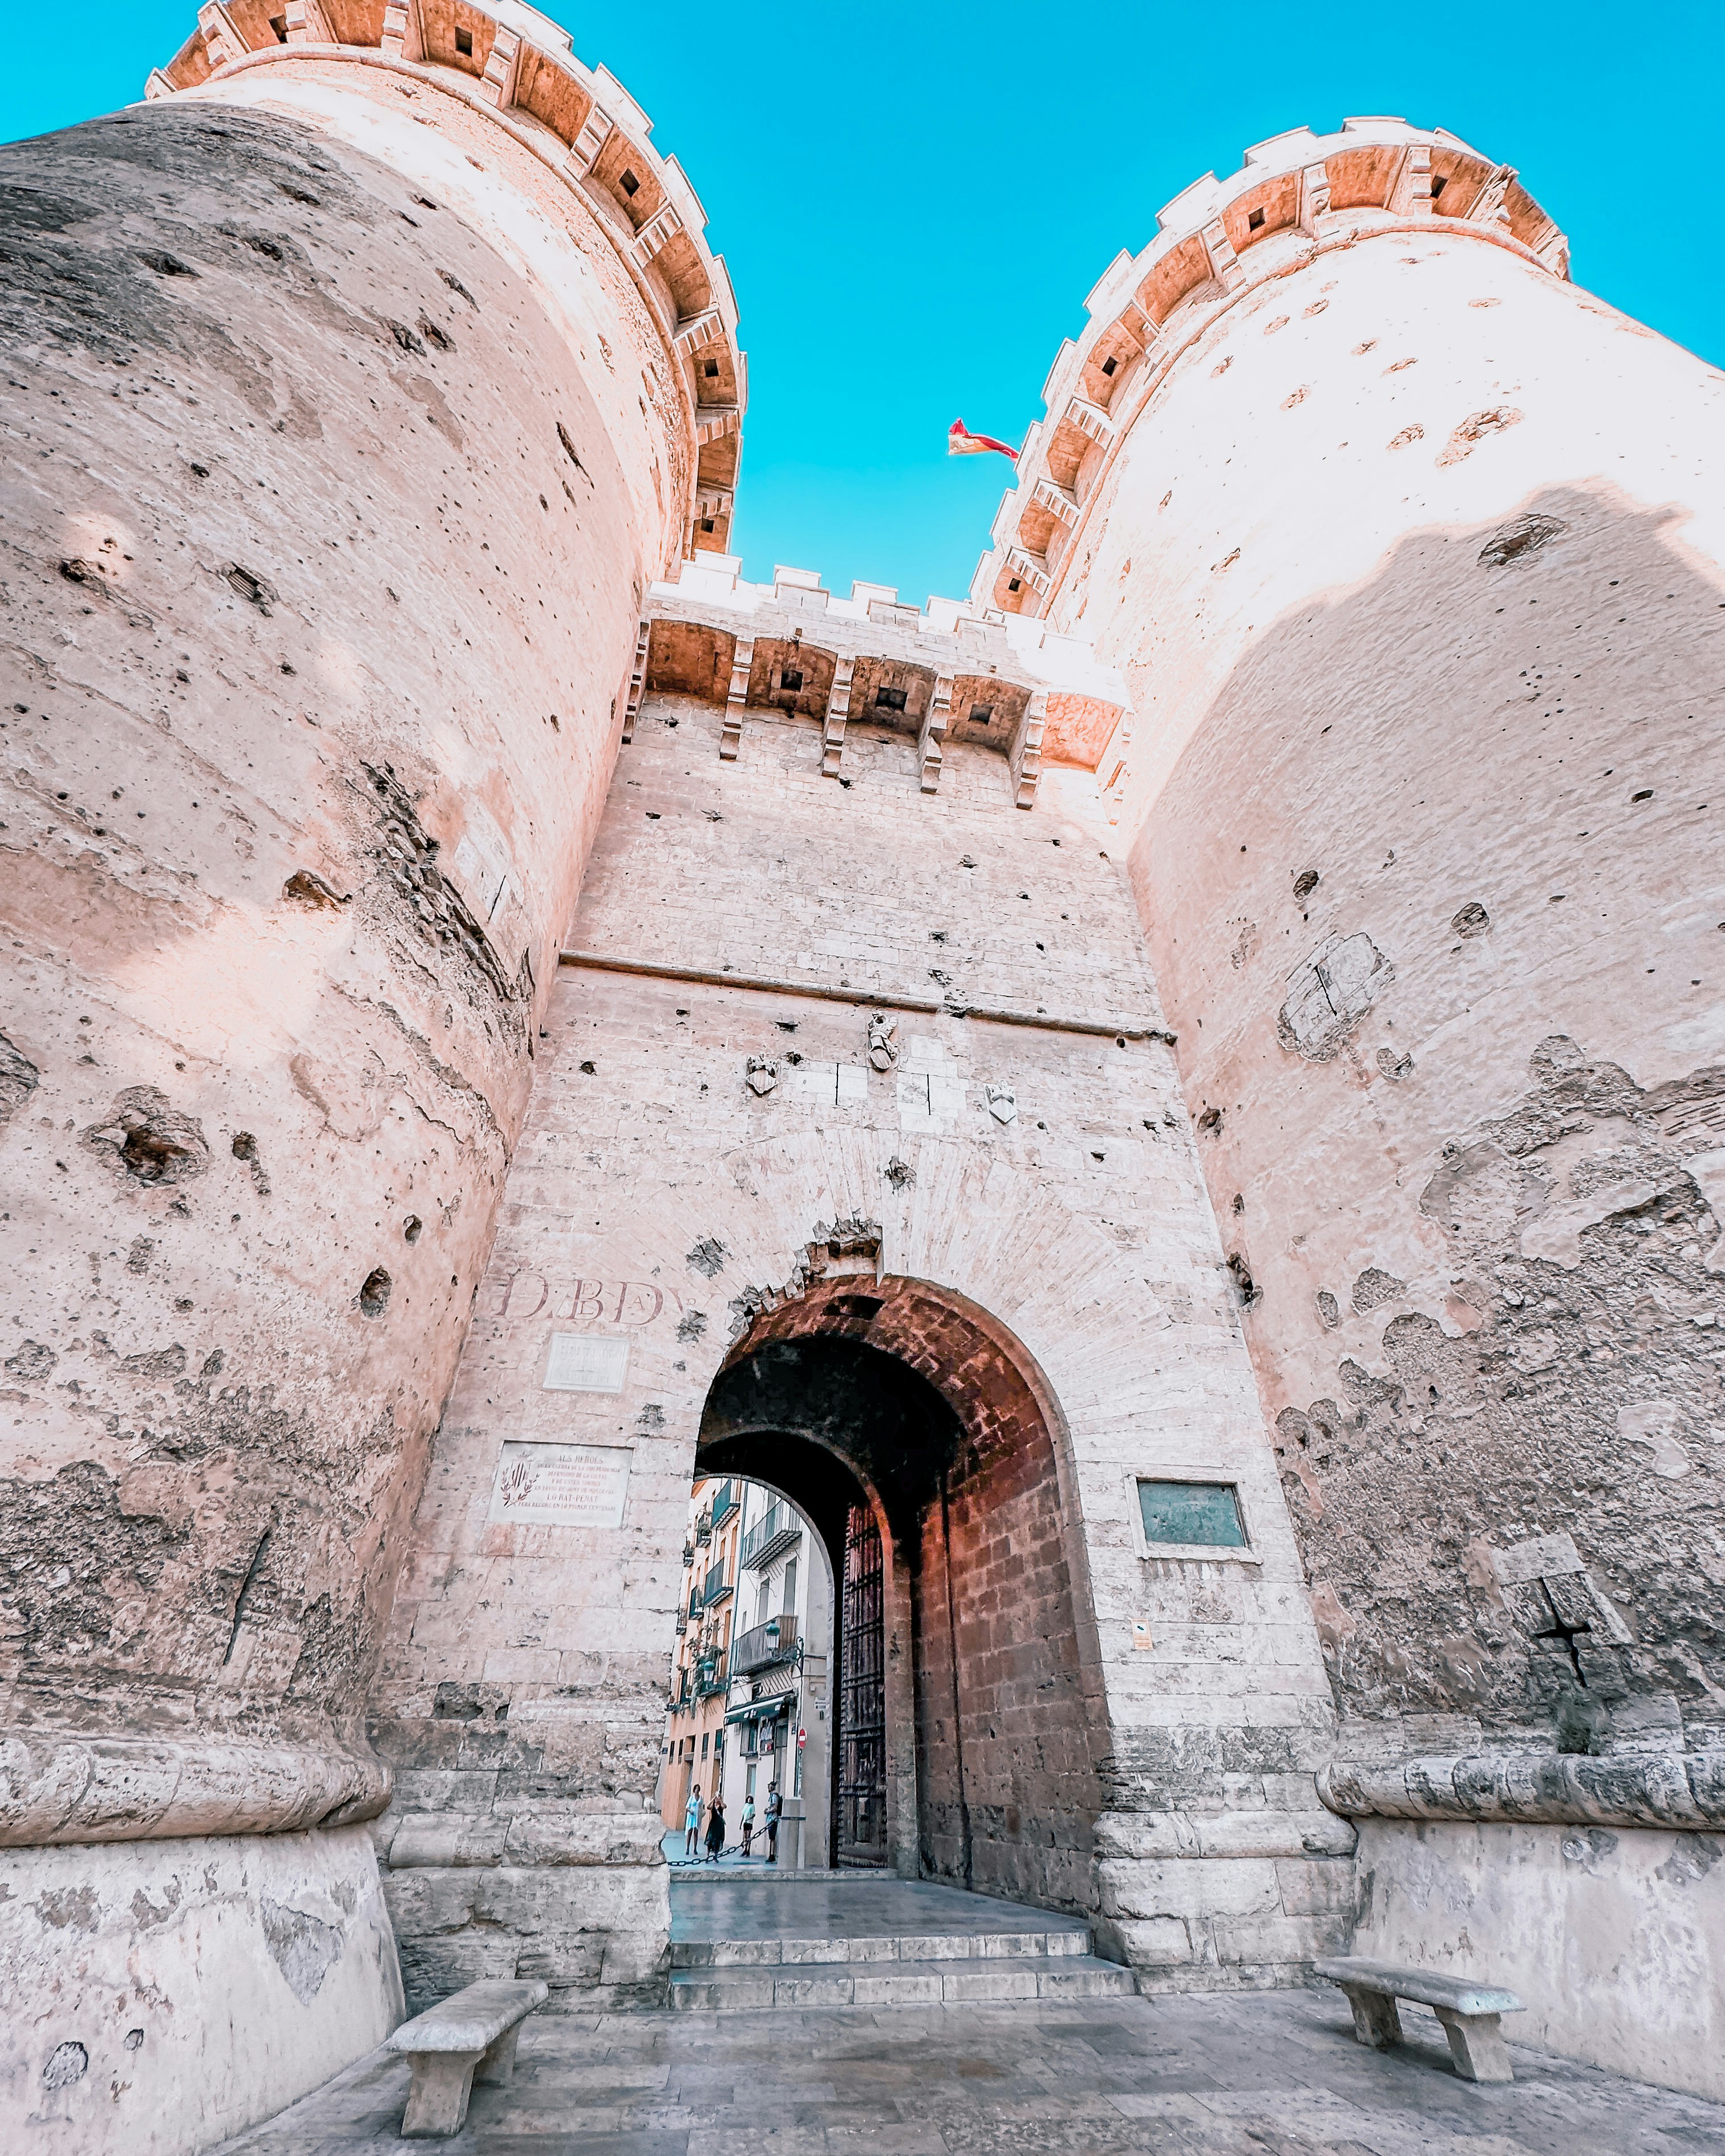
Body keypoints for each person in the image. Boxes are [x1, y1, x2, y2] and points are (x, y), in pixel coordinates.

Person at [704, 1792, 726, 1863]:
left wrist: (721, 1800)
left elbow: (725, 1806)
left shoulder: (721, 1806)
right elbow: (708, 1807)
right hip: (713, 1825)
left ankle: (715, 1856)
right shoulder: (713, 1805)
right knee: (710, 1840)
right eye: (716, 1797)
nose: (717, 1799)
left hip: (719, 1825)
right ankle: (707, 1856)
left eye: (718, 1797)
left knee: (718, 1841)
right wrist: (713, 1799)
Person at [764, 1779, 781, 1864]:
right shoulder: (771, 1796)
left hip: (773, 1819)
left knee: (772, 1838)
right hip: (770, 1819)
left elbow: (775, 1807)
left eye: (769, 1786)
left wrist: (768, 1811)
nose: (768, 1788)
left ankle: (772, 1855)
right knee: (771, 1838)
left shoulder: (774, 1796)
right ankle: (771, 1854)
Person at [683, 1783, 701, 1858]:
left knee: (696, 1833)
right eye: (696, 1789)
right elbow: (687, 1807)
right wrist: (690, 1811)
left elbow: (701, 1806)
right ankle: (688, 1848)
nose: (697, 1790)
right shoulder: (691, 1798)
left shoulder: (701, 1798)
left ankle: (695, 1849)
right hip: (691, 1816)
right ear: (694, 1790)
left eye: (698, 1789)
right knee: (690, 1832)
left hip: (697, 1817)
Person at [740, 1790, 755, 1859]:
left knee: (749, 1836)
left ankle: (748, 1850)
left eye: (750, 1799)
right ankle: (745, 1849)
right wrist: (741, 1824)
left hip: (749, 1823)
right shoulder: (746, 1805)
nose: (749, 1799)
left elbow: (754, 1814)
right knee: (745, 1836)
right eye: (748, 1798)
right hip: (745, 1823)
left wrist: (749, 1819)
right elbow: (743, 1815)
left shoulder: (752, 1806)